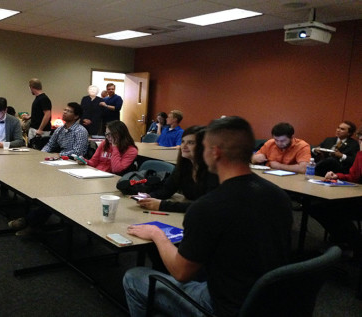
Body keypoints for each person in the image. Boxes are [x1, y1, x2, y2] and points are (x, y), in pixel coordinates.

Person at [123, 116, 293, 317]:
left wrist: (156, 233)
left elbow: (181, 272)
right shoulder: (279, 196)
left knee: (134, 277)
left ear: (214, 152)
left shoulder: (208, 207)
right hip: (273, 302)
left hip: (223, 306)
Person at [137, 126, 219, 213]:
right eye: (183, 142)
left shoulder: (214, 172)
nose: (184, 146)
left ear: (204, 146)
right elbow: (168, 189)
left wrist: (162, 205)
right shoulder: (184, 165)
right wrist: (149, 196)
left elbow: (207, 205)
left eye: (191, 143)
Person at [310, 127, 362, 260]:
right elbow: (353, 177)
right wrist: (337, 176)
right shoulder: (360, 155)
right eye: (361, 139)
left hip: (357, 198)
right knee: (315, 206)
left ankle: (354, 244)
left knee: (335, 209)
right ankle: (343, 240)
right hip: (355, 194)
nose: (361, 143)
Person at [22, 78, 52, 142]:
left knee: (38, 149)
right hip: (34, 128)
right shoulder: (38, 98)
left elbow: (47, 114)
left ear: (31, 87)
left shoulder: (44, 98)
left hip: (41, 130)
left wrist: (40, 129)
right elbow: (39, 113)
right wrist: (29, 117)